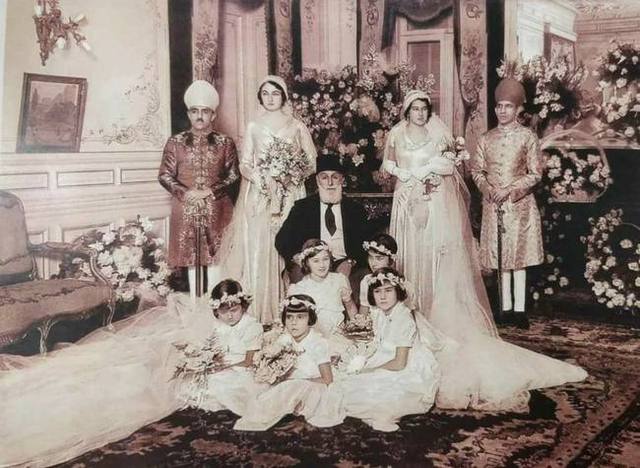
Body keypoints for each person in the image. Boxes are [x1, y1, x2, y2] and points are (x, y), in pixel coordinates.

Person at [381, 90, 587, 410]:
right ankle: (408, 308)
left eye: (423, 108)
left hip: (434, 203)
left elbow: (450, 168)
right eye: (414, 109)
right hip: (406, 201)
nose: (419, 113)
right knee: (408, 254)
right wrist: (402, 173)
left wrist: (431, 169)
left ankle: (447, 310)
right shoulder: (396, 133)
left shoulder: (440, 134)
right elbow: (388, 164)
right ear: (406, 111)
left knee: (442, 255)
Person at [221, 75, 317, 324]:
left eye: (275, 93)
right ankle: (263, 310)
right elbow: (244, 163)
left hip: (290, 192)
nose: (270, 98)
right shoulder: (254, 126)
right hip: (261, 195)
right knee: (262, 248)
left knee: (289, 244)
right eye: (265, 93)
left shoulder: (297, 126)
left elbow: (311, 162)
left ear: (283, 97)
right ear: (260, 98)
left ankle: (292, 308)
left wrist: (291, 175)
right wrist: (262, 178)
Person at [470, 78, 544, 329]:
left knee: (518, 257)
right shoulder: (486, 138)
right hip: (494, 205)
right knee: (501, 258)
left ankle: (520, 310)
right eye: (499, 106)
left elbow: (535, 173)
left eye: (508, 106)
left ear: (518, 109)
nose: (502, 111)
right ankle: (504, 308)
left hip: (519, 206)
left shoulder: (527, 137)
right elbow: (477, 171)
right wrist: (489, 189)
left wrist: (510, 190)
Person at [159, 80, 239, 301]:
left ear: (213, 115)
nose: (200, 116)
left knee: (217, 257)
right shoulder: (175, 142)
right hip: (186, 207)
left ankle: (217, 304)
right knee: (191, 259)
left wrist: (209, 192)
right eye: (195, 111)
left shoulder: (225, 143)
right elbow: (164, 175)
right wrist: (186, 193)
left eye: (205, 111)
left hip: (217, 207)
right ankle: (196, 306)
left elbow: (234, 175)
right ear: (189, 114)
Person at [336, 268, 440, 432]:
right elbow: (375, 340)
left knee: (381, 394)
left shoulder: (403, 318)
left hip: (405, 365)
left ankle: (378, 414)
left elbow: (400, 363)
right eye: (377, 291)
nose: (382, 296)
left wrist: (371, 369)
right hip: (384, 357)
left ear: (398, 291)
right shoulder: (378, 313)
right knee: (343, 384)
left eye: (388, 290)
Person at [234, 295, 344, 431]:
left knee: (293, 387)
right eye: (289, 317)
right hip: (287, 381)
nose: (293, 323)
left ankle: (289, 413)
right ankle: (268, 411)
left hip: (313, 384)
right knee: (255, 382)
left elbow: (327, 379)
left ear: (310, 319)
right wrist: (270, 372)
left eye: (300, 317)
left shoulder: (318, 343)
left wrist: (297, 381)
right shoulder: (285, 339)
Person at [275, 153, 373, 285]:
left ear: (342, 180)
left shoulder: (355, 210)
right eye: (324, 177)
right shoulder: (303, 207)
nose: (330, 183)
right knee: (299, 276)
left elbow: (366, 244)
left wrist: (351, 262)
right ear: (317, 180)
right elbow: (281, 239)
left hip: (343, 263)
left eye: (335, 177)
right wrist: (298, 257)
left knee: (363, 277)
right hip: (311, 264)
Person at [187, 280, 264, 416]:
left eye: (234, 310)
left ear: (243, 306)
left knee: (220, 384)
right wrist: (206, 363)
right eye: (223, 312)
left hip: (242, 370)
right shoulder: (218, 326)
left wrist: (222, 368)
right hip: (220, 366)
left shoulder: (251, 326)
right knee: (192, 381)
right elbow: (211, 350)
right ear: (216, 311)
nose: (229, 316)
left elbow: (249, 361)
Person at [287, 239, 358, 337]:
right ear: (307, 263)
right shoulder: (300, 288)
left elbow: (350, 309)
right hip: (314, 337)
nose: (322, 265)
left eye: (325, 259)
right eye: (316, 261)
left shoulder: (340, 279)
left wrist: (355, 327)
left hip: (339, 335)